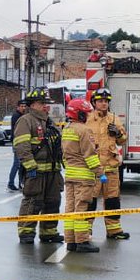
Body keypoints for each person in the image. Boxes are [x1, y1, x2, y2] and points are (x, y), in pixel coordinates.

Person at [12, 89, 64, 244]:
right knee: (33, 202)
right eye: (43, 103)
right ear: (33, 104)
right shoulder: (26, 120)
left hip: (53, 172)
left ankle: (49, 231)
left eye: (46, 104)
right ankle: (26, 232)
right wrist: (30, 166)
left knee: (53, 202)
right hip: (36, 172)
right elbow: (21, 145)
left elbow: (58, 144)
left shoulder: (49, 122)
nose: (46, 107)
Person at [83, 87, 130, 240]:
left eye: (106, 101)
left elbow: (123, 140)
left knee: (113, 201)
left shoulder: (114, 118)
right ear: (94, 102)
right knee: (90, 201)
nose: (103, 104)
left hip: (111, 169)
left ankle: (114, 230)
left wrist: (118, 133)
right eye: (100, 101)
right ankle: (86, 231)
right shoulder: (87, 118)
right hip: (93, 170)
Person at [60, 97, 104, 253]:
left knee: (70, 208)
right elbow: (89, 155)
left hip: (70, 175)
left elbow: (65, 154)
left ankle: (70, 240)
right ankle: (82, 241)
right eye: (85, 114)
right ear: (79, 114)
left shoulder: (66, 129)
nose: (87, 117)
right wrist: (100, 173)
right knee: (81, 208)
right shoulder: (84, 130)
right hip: (83, 178)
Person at [6, 100, 28, 191]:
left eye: (24, 106)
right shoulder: (16, 116)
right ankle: (11, 183)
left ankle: (20, 183)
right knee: (17, 164)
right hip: (17, 143)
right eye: (21, 106)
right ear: (17, 107)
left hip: (20, 143)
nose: (23, 108)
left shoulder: (22, 116)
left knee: (21, 164)